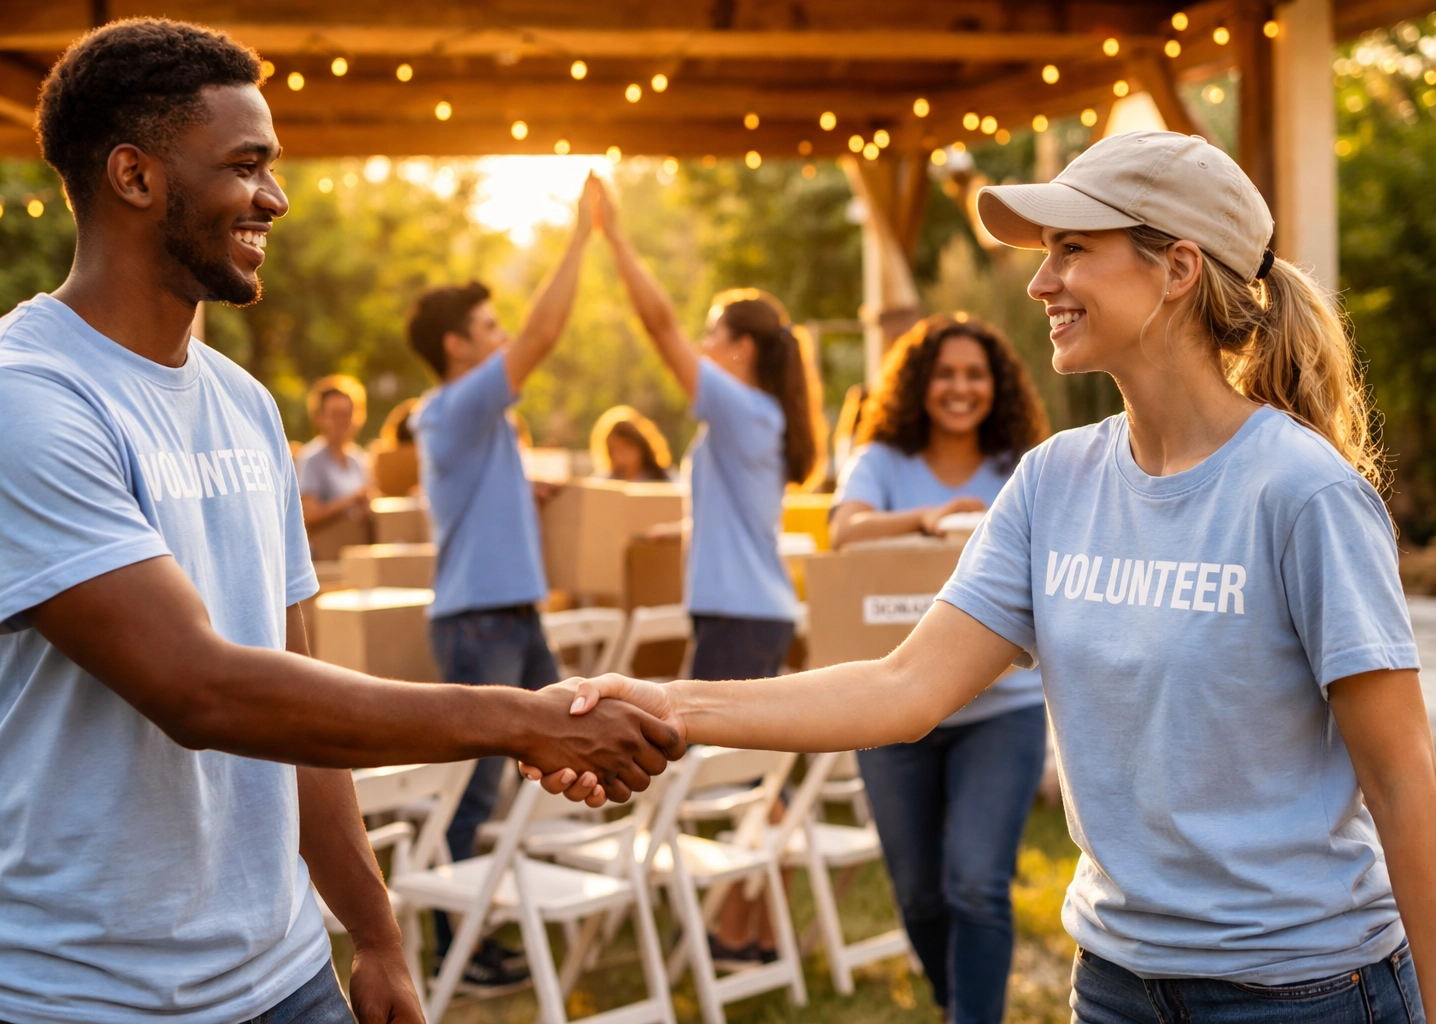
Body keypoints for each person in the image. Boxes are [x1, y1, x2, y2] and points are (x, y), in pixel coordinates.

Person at [551, 131, 1436, 1023]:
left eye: (1072, 250)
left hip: (1305, 993)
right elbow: (902, 686)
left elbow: (1404, 786)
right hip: (1118, 986)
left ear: (1177, 269)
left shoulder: (1303, 493)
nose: (1041, 282)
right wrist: (670, 705)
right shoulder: (1054, 481)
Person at [0, 22, 680, 1024]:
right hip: (59, 996)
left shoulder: (243, 405)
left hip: (282, 976)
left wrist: (375, 930)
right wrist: (524, 718)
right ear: (134, 176)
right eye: (245, 165)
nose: (275, 197)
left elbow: (293, 698)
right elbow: (201, 689)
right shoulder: (14, 399)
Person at [599, 189, 824, 962]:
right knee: (743, 774)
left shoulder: (741, 409)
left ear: (740, 348)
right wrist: (680, 532)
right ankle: (755, 928)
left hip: (738, 614)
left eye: (712, 334)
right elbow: (735, 510)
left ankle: (741, 926)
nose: (699, 342)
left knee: (727, 779)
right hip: (748, 609)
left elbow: (659, 326)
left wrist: (615, 236)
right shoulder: (761, 417)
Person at [829, 313, 1050, 1023]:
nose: (961, 388)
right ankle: (960, 1004)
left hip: (1001, 709)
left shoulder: (1021, 466)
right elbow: (844, 528)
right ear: (919, 384)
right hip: (891, 711)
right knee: (920, 895)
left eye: (975, 375)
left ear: (996, 385)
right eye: (945, 374)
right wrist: (927, 520)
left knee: (976, 884)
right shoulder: (882, 460)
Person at [407, 174, 600, 985]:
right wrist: (582, 233)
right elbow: (547, 331)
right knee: (475, 791)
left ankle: (514, 916)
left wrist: (527, 489)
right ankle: (455, 946)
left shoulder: (478, 420)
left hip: (513, 617)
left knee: (566, 757)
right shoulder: (454, 406)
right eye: (490, 327)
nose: (506, 334)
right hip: (480, 621)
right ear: (457, 345)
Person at [296, 373, 374, 557]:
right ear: (320, 417)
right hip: (325, 556)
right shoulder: (311, 459)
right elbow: (307, 515)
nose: (341, 421)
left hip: (355, 551)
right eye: (334, 415)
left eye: (346, 414)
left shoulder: (358, 458)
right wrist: (350, 501)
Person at [591, 405, 672, 482]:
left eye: (626, 445)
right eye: (615, 449)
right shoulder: (604, 480)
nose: (622, 454)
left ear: (641, 445)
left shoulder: (662, 477)